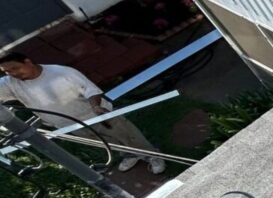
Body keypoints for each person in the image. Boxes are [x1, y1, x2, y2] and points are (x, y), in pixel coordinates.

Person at [0, 51, 166, 174]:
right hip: (67, 124)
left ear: (28, 61)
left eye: (15, 68)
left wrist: (96, 107)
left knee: (127, 135)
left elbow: (91, 91)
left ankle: (152, 155)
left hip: (96, 115)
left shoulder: (62, 73)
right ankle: (130, 155)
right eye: (7, 71)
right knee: (107, 143)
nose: (13, 74)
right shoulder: (11, 83)